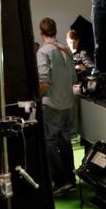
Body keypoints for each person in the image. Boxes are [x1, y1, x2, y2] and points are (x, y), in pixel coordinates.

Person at [37, 17, 78, 197]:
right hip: (68, 104)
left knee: (49, 142)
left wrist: (35, 98)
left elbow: (44, 83)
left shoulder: (43, 52)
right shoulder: (66, 49)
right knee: (65, 141)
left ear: (41, 33)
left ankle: (60, 181)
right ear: (55, 30)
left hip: (52, 105)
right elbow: (74, 79)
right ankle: (70, 180)